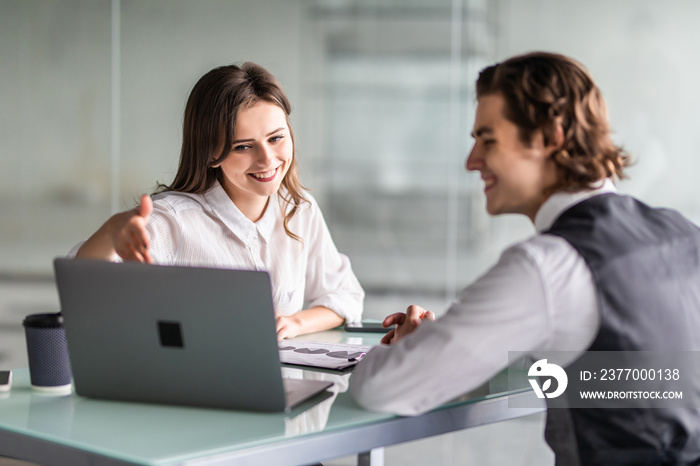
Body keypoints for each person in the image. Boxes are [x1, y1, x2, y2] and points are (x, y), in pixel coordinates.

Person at [349, 52, 700, 464]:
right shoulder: (680, 232)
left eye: (488, 140)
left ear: (551, 136)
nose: (471, 160)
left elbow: (381, 389)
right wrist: (463, 336)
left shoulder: (547, 266)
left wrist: (413, 348)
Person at [72, 62, 364, 341]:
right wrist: (111, 232)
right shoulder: (174, 221)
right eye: (244, 146)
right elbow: (81, 288)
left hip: (282, 385)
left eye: (276, 138)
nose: (266, 159)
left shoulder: (299, 209)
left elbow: (344, 295)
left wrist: (295, 323)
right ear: (212, 152)